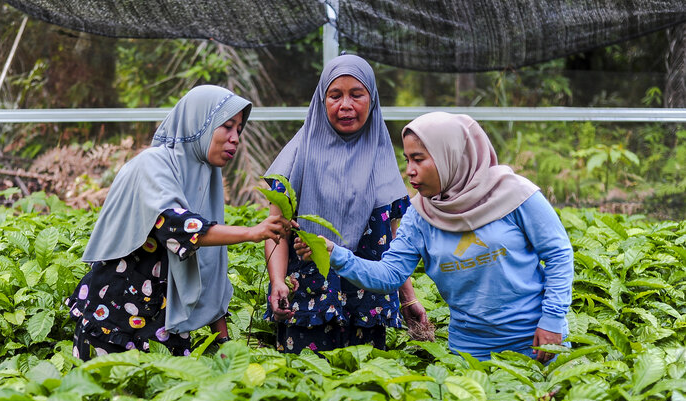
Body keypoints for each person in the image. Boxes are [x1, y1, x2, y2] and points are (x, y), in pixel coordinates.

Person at [297, 112, 574, 362]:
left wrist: (551, 320)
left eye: (419, 159)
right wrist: (334, 253)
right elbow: (389, 275)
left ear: (450, 155)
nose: (410, 170)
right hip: (470, 353)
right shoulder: (420, 215)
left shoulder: (515, 195)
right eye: (407, 160)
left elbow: (559, 255)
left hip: (536, 342)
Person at [66, 85, 291, 359]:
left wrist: (224, 347)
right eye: (227, 126)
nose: (235, 139)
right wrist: (251, 232)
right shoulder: (152, 165)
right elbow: (175, 226)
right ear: (199, 124)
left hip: (163, 330)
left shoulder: (204, 183)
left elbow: (208, 268)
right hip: (115, 319)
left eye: (239, 130)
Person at [263, 54, 428, 354]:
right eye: (335, 96)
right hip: (307, 302)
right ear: (321, 100)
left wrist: (408, 298)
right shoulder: (296, 158)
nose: (346, 106)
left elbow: (393, 243)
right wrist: (277, 282)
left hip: (367, 304)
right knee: (304, 389)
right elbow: (276, 233)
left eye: (357, 95)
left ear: (372, 99)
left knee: (364, 391)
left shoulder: (383, 159)